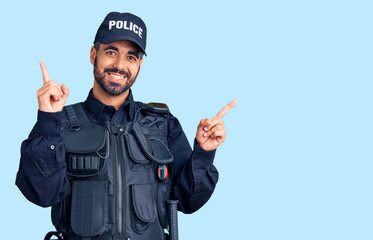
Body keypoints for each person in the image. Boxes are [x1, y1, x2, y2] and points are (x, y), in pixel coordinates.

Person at [16, 12, 237, 240]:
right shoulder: (58, 122)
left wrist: (205, 152)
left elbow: (188, 200)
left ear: (140, 64)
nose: (120, 65)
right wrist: (47, 121)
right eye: (111, 52)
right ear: (94, 54)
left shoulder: (163, 124)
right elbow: (42, 194)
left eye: (131, 57)